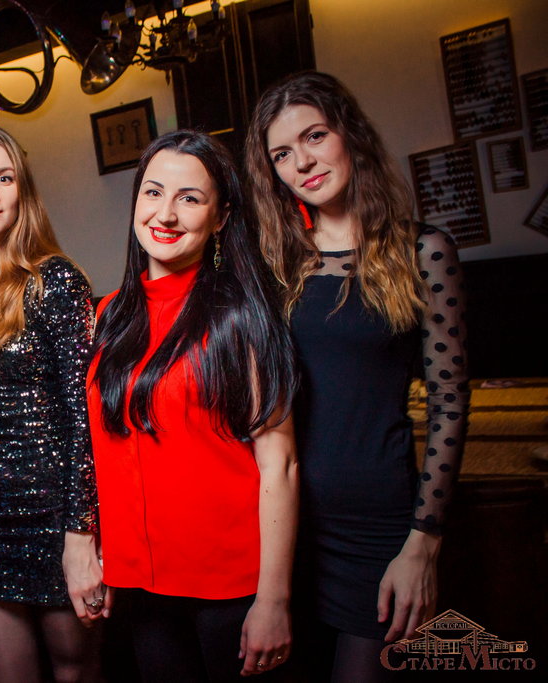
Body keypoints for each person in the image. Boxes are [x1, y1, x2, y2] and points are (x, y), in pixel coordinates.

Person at [245, 71, 469, 681]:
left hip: (380, 528)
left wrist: (423, 542)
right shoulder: (275, 264)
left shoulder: (423, 252)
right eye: (281, 154)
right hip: (283, 529)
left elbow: (450, 402)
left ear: (350, 134)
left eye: (314, 136)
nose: (302, 163)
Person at [87, 129, 299, 681]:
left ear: (221, 216)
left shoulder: (241, 316)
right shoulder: (107, 317)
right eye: (153, 192)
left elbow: (280, 464)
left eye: (189, 198)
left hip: (229, 588)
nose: (166, 214)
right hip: (140, 588)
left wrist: (273, 600)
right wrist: (95, 549)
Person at [0, 122, 103, 683]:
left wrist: (80, 534)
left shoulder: (55, 282)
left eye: (4, 178)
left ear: (21, 192)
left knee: (77, 673)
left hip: (55, 522)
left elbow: (85, 417)